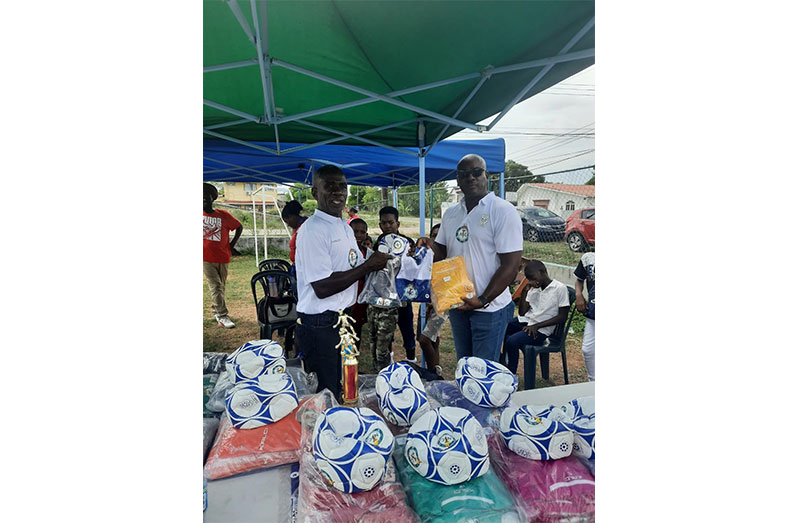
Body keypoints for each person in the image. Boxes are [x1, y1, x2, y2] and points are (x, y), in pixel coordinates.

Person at [294, 166, 390, 399]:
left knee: (347, 384)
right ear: (315, 192)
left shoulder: (344, 226)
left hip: (344, 320)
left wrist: (400, 257)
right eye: (330, 186)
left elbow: (356, 265)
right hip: (321, 325)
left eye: (342, 186)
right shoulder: (312, 231)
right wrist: (368, 266)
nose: (338, 192)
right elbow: (322, 287)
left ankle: (345, 425)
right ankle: (326, 432)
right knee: (325, 393)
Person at [424, 154, 522, 362]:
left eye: (476, 172)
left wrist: (483, 299)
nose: (471, 178)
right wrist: (426, 248)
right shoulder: (451, 213)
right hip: (459, 303)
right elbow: (441, 253)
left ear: (486, 175)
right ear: (458, 180)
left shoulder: (503, 211)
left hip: (490, 308)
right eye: (464, 175)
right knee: (465, 364)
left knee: (483, 371)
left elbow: (511, 265)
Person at [501, 260, 570, 375]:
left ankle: (510, 373)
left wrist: (537, 326)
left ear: (542, 271)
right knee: (503, 328)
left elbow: (562, 317)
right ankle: (503, 361)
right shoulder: (533, 289)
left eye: (533, 278)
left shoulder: (559, 288)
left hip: (542, 329)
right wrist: (524, 292)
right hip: (528, 322)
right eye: (529, 279)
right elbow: (522, 313)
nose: (532, 282)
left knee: (512, 341)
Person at [378, 206, 419, 362]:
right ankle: (389, 362)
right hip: (385, 296)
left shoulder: (408, 243)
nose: (388, 226)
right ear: (380, 224)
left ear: (398, 223)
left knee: (407, 328)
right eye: (384, 223)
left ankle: (411, 360)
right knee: (386, 331)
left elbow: (414, 267)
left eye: (391, 222)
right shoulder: (379, 243)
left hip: (403, 296)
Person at [203, 183, 243, 329]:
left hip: (223, 257)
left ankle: (216, 309)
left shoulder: (223, 215)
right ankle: (222, 315)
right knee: (216, 285)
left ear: (212, 199)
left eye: (206, 197)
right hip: (206, 258)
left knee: (221, 286)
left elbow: (239, 227)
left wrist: (232, 245)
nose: (203, 200)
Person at [418, 224, 444, 376]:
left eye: (440, 236)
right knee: (432, 338)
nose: (437, 239)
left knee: (424, 339)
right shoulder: (428, 256)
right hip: (428, 304)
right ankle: (435, 369)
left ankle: (434, 374)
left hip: (442, 304)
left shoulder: (447, 259)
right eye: (434, 235)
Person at [348, 218, 371, 354]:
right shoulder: (343, 250)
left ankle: (353, 362)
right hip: (346, 296)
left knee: (357, 330)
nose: (358, 235)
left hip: (360, 297)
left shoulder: (367, 253)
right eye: (355, 231)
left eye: (362, 232)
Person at [574, 252, 595, 381]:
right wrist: (578, 295)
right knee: (588, 350)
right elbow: (579, 280)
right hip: (594, 313)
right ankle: (593, 382)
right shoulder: (589, 258)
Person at [281, 200, 307, 264]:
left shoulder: (305, 227)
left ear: (291, 217)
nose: (288, 225)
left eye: (287, 221)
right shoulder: (297, 227)